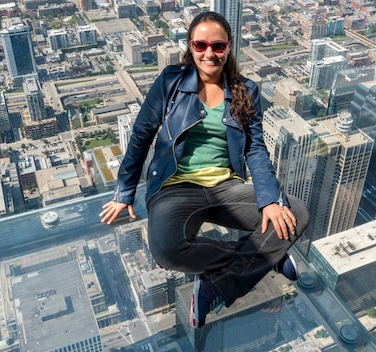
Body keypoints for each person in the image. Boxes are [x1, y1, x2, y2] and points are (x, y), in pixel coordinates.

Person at [100, 11, 310, 329]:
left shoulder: (246, 90)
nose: (209, 53)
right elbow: (141, 134)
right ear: (190, 46)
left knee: (295, 212)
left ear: (228, 47)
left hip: (226, 188)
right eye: (200, 45)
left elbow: (255, 149)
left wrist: (269, 199)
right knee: (166, 250)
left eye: (217, 45)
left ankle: (218, 286)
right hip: (175, 186)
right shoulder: (170, 81)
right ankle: (268, 257)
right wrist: (124, 192)